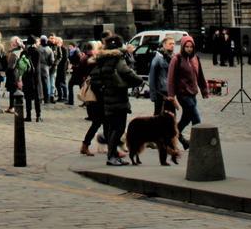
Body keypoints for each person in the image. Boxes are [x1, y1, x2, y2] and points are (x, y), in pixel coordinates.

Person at [93, 35, 143, 165]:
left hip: (107, 97)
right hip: (118, 98)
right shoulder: (118, 59)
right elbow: (127, 73)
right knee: (119, 128)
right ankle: (111, 157)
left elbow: (95, 79)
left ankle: (114, 154)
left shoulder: (102, 60)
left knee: (111, 128)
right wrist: (140, 80)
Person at [167, 34, 209, 149]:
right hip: (182, 94)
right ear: (182, 47)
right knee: (196, 119)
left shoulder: (196, 58)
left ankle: (173, 135)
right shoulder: (177, 59)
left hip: (193, 93)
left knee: (186, 119)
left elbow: (200, 76)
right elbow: (170, 78)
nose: (189, 49)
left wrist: (204, 90)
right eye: (187, 47)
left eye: (191, 47)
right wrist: (171, 95)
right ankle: (198, 143)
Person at [72, 41, 104, 155]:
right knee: (98, 122)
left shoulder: (87, 60)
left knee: (99, 123)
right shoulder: (93, 62)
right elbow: (95, 82)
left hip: (93, 97)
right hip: (96, 97)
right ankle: (86, 145)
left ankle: (89, 145)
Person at [148, 36, 176, 115]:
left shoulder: (172, 57)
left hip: (170, 92)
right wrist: (153, 95)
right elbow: (152, 77)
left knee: (171, 116)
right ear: (164, 45)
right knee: (158, 116)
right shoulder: (158, 58)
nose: (172, 45)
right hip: (160, 93)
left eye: (173, 43)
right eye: (170, 43)